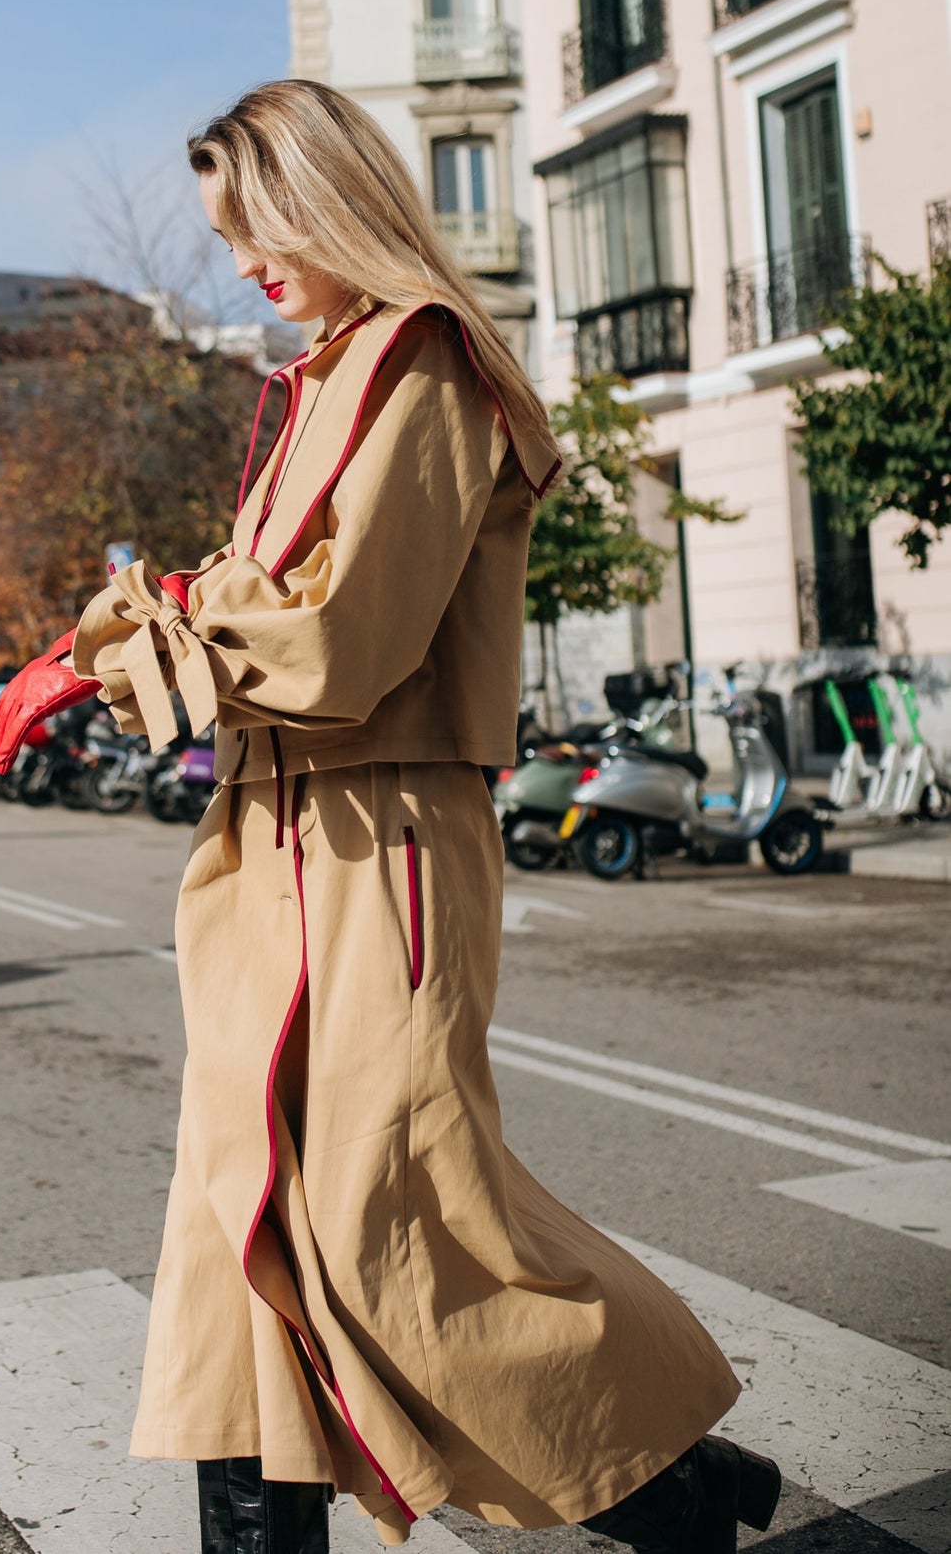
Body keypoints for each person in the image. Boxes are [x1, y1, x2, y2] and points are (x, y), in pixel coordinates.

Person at [71, 82, 780, 1554]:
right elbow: (252, 607)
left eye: (257, 225)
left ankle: (669, 1476)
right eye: (226, 235)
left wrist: (147, 633)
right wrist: (144, 632)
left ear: (327, 195)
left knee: (394, 1207)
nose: (244, 264)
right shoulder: (317, 377)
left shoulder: (428, 362)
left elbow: (342, 639)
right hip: (267, 831)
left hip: (380, 834)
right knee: (237, 1215)